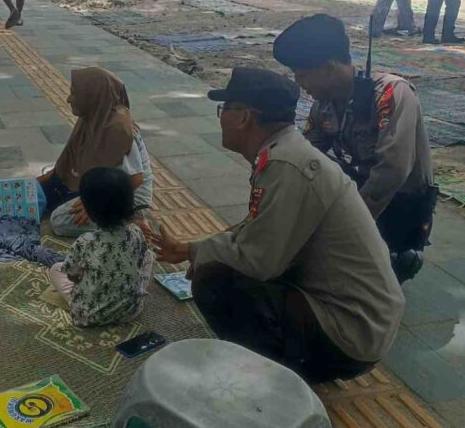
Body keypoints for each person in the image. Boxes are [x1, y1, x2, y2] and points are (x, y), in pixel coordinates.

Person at [150, 68, 404, 384]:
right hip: (358, 323)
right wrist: (198, 250)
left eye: (224, 109)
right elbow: (259, 230)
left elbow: (258, 260)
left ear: (244, 117)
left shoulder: (287, 165)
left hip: (350, 333)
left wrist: (199, 254)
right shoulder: (284, 153)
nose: (221, 118)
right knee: (220, 263)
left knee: (214, 281)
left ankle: (270, 381)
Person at [273, 15, 436, 283]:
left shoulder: (391, 93)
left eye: (302, 75)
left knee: (347, 278)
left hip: (400, 205)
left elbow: (393, 170)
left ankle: (401, 253)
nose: (299, 82)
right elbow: (306, 153)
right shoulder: (325, 104)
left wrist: (348, 224)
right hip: (360, 191)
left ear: (329, 68)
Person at [45, 67, 153, 237]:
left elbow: (135, 179)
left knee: (59, 220)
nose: (68, 99)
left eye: (74, 94)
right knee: (54, 185)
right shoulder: (95, 116)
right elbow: (70, 163)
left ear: (92, 96)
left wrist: (93, 205)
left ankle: (131, 225)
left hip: (126, 196)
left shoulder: (117, 130)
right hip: (106, 186)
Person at [48, 167, 154, 327]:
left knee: (56, 269)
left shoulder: (85, 241)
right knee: (149, 256)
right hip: (131, 311)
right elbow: (139, 262)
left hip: (89, 315)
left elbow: (71, 276)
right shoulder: (136, 233)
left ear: (89, 211)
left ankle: (92, 305)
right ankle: (129, 296)